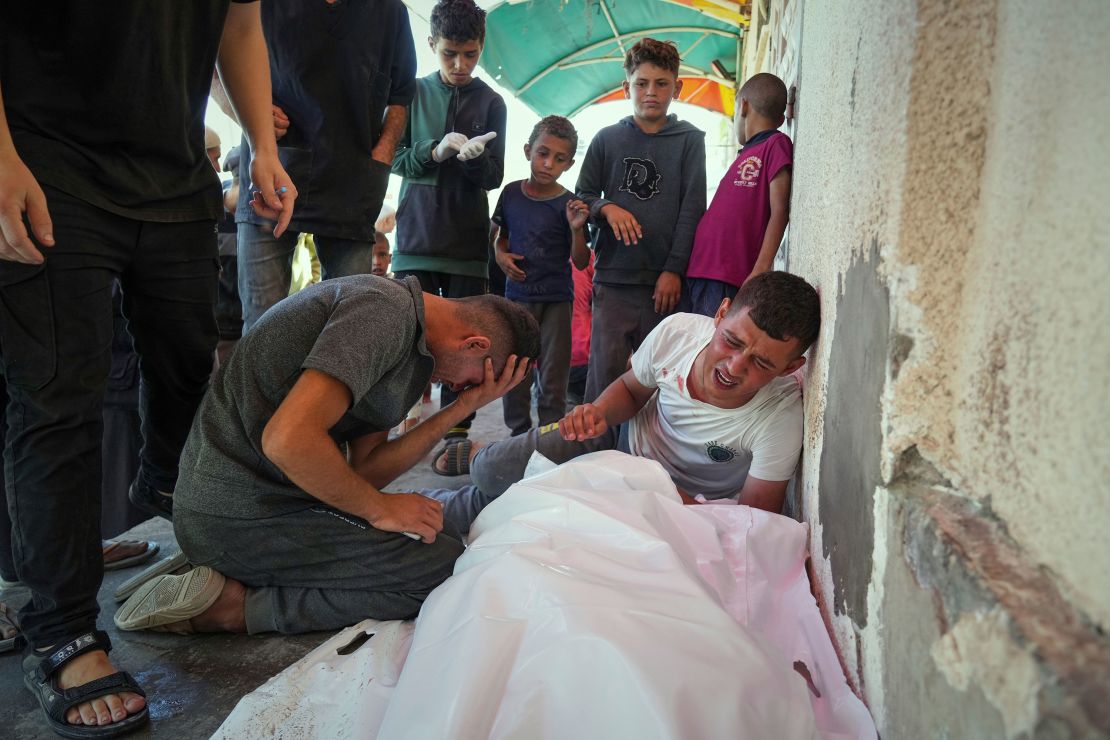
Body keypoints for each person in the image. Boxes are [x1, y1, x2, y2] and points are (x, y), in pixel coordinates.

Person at [0, 2, 297, 735]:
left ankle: (161, 484)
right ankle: (63, 632)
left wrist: (261, 141)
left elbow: (239, 20)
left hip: (172, 173)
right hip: (46, 158)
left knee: (188, 357)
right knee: (59, 395)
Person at [113, 276, 539, 637]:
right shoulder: (383, 312)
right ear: (475, 343)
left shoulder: (413, 345)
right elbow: (287, 440)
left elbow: (366, 471)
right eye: (471, 383)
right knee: (444, 571)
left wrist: (461, 409)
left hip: (270, 506)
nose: (460, 388)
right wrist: (378, 510)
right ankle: (234, 607)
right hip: (235, 512)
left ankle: (225, 566)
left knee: (441, 535)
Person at [470, 271, 821, 514]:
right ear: (721, 313)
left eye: (761, 363)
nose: (734, 367)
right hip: (617, 445)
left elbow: (752, 521)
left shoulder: (780, 417)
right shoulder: (676, 333)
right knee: (492, 472)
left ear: (790, 368)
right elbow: (631, 390)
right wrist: (598, 414)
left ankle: (459, 503)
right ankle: (471, 466)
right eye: (731, 341)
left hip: (686, 508)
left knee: (518, 506)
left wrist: (652, 489)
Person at [236, 0, 417, 331]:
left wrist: (384, 153)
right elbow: (223, 54)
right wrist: (247, 116)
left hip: (354, 180)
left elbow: (402, 94)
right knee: (259, 326)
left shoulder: (390, 11)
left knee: (349, 331)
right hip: (270, 173)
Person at [392, 0, 507, 450]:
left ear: (481, 48)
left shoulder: (492, 101)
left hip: (466, 244)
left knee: (467, 342)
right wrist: (431, 152)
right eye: (449, 54)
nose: (460, 65)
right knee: (408, 337)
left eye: (471, 54)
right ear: (432, 45)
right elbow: (394, 159)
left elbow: (494, 176)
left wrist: (476, 164)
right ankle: (402, 422)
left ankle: (457, 434)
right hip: (415, 240)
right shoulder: (412, 93)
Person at [576, 38, 707, 403]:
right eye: (642, 83)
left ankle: (644, 459)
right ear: (626, 87)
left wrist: (674, 270)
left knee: (657, 382)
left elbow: (692, 208)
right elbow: (582, 195)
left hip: (663, 287)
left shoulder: (690, 141)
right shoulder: (607, 140)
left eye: (662, 83)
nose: (651, 92)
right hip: (613, 282)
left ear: (676, 88)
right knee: (603, 383)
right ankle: (595, 455)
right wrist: (606, 208)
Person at [490, 115, 590, 444]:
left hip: (557, 299)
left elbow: (580, 259)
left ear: (569, 163)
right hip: (517, 298)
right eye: (543, 153)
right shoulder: (510, 194)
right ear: (528, 150)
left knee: (553, 373)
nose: (548, 164)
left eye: (559, 159)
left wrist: (576, 229)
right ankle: (517, 436)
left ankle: (550, 437)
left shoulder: (568, 203)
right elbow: (498, 238)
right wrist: (501, 256)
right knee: (514, 368)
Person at [685, 73, 793, 316]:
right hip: (701, 271)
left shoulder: (775, 144)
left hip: (728, 275)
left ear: (743, 105)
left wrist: (760, 269)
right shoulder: (746, 153)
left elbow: (779, 211)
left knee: (709, 343)